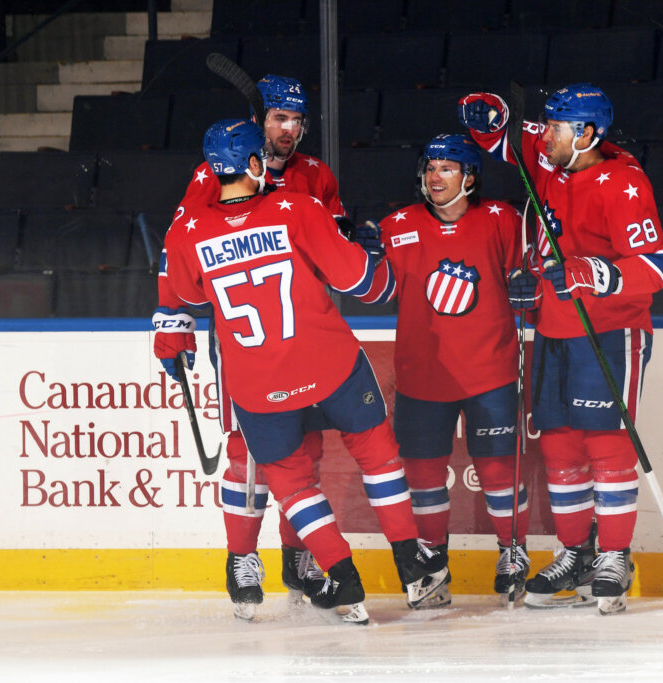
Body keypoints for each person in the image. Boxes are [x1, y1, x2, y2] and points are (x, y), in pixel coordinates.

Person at [158, 118, 448, 624]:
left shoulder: (185, 230)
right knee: (377, 455)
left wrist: (174, 328)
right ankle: (411, 564)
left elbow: (186, 295)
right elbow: (364, 282)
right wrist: (374, 256)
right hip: (329, 364)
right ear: (254, 162)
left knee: (292, 486)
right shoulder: (296, 207)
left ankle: (344, 577)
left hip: (257, 381)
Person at [458, 84, 663, 614]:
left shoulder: (623, 184)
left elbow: (657, 264)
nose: (545, 135)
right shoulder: (551, 158)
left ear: (587, 134)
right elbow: (502, 136)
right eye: (547, 126)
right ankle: (575, 552)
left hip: (609, 330)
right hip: (551, 330)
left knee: (605, 445)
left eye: (555, 128)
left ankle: (615, 555)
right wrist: (488, 116)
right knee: (558, 447)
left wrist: (597, 272)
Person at [152, 75, 349, 621]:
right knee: (245, 449)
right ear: (258, 122)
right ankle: (241, 558)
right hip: (244, 338)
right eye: (277, 118)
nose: (287, 129)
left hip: (306, 334)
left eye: (296, 120)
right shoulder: (211, 174)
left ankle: (298, 559)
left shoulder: (316, 176)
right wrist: (173, 323)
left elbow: (334, 248)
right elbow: (179, 250)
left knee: (306, 450)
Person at [353, 134, 530, 606]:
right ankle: (432, 564)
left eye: (448, 168)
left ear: (470, 177)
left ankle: (513, 551)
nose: (435, 176)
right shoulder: (397, 225)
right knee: (424, 476)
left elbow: (524, 285)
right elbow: (373, 291)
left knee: (498, 469)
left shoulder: (501, 219)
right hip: (421, 374)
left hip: (489, 371)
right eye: (430, 167)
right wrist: (365, 258)